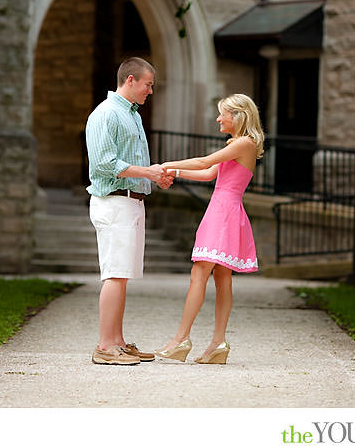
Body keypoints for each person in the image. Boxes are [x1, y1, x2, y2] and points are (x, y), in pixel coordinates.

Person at [155, 93, 263, 364]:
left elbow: (203, 162)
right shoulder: (240, 145)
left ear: (238, 116)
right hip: (225, 211)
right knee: (222, 278)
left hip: (223, 213)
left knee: (199, 273)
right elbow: (207, 174)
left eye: (222, 113)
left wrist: (165, 165)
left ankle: (181, 339)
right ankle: (218, 344)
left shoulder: (244, 143)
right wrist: (175, 174)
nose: (218, 118)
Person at [85, 57, 174, 365]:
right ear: (131, 80)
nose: (151, 91)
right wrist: (147, 173)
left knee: (122, 275)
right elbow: (103, 164)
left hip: (132, 201)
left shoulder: (131, 115)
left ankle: (118, 342)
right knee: (114, 274)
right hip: (113, 202)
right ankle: (105, 346)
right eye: (148, 84)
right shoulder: (106, 114)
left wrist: (152, 177)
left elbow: (132, 165)